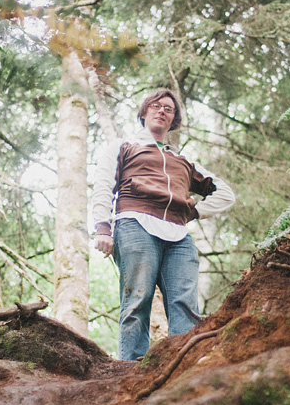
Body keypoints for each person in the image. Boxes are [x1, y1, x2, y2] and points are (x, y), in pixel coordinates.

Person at [92, 88, 234, 360]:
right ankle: (132, 371)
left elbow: (225, 193)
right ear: (144, 114)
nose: (161, 111)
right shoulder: (125, 147)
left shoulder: (184, 162)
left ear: (173, 120)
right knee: (137, 300)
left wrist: (193, 212)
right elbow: (103, 185)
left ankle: (184, 367)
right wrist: (102, 228)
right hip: (135, 224)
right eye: (155, 106)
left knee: (184, 304)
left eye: (168, 109)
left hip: (178, 235)